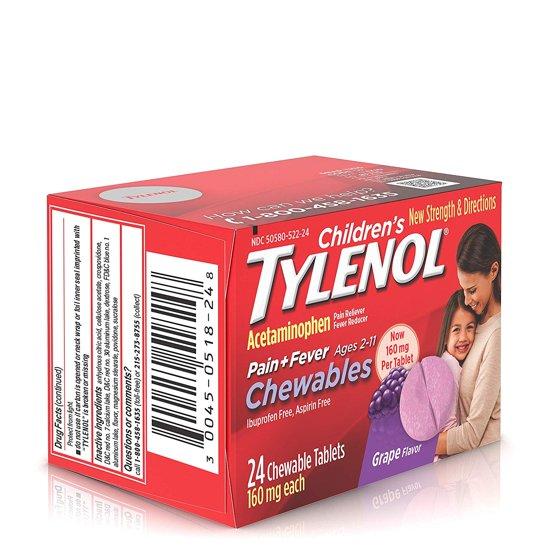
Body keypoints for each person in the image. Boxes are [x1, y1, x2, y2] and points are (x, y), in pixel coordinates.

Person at [436, 224, 501, 455]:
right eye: (463, 290)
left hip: (487, 467)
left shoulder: (497, 335)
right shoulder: (475, 323)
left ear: (493, 271)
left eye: (472, 290)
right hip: (466, 466)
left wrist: (414, 449)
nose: (467, 299)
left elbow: (473, 434)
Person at [436, 290, 478, 436]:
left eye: (470, 328)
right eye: (456, 330)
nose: (463, 337)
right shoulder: (450, 366)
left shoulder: (449, 362)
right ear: (445, 336)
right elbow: (447, 425)